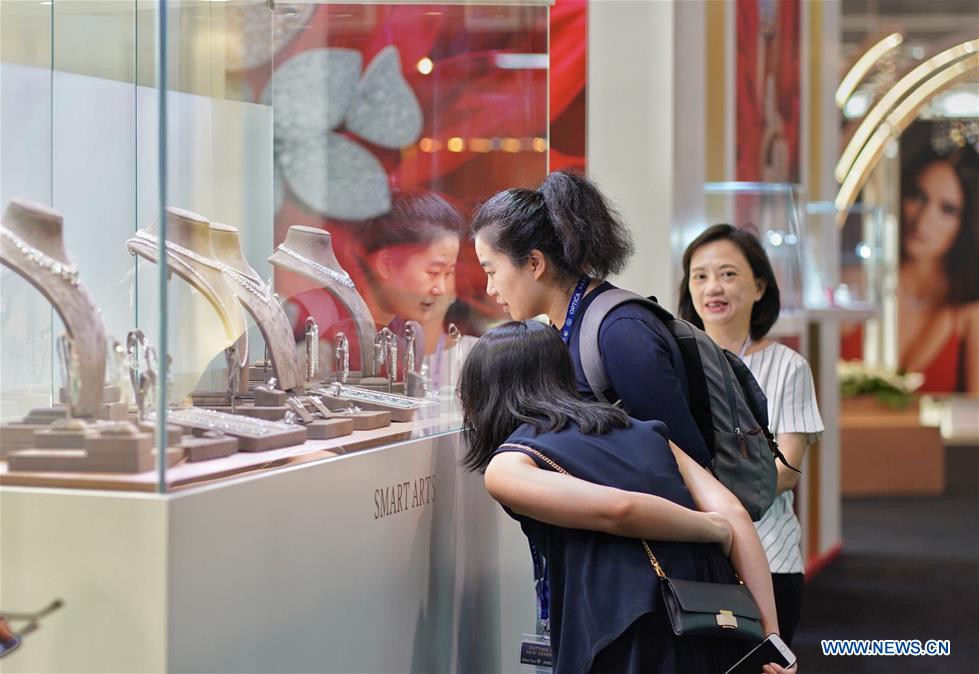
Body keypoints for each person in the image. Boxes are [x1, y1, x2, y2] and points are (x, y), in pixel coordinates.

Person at [458, 320, 791, 674]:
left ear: (486, 392)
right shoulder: (640, 428)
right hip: (713, 610)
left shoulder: (510, 464)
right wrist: (771, 640)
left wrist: (712, 529)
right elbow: (735, 512)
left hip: (627, 626)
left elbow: (621, 509)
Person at [470, 170, 711, 467]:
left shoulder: (621, 332)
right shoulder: (563, 329)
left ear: (534, 263)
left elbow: (686, 458)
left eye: (491, 271)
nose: (490, 289)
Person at [678, 223, 824, 647]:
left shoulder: (788, 366)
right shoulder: (675, 361)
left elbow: (787, 471)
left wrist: (707, 495)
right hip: (695, 555)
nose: (713, 287)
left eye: (728, 274)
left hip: (771, 556)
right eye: (700, 276)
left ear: (759, 286)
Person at [897, 149, 979, 393]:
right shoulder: (853, 289)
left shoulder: (970, 312)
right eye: (917, 196)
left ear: (968, 221)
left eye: (948, 209)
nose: (922, 220)